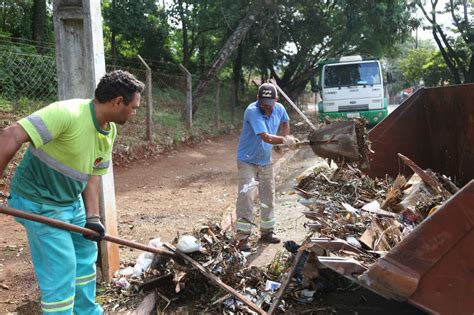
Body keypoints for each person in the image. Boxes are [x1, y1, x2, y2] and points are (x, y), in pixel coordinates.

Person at [0, 70, 145, 314]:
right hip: (38, 200)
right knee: (61, 266)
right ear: (118, 101)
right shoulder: (67, 113)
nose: (134, 113)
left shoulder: (108, 130)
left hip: (70, 202)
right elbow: (10, 134)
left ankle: (87, 311)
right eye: (134, 107)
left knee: (85, 253)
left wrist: (92, 218)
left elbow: (93, 175)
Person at [235, 82, 299, 251]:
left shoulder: (279, 108)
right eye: (264, 105)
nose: (267, 109)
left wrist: (285, 137)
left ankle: (267, 232)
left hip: (265, 161)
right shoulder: (252, 111)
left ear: (276, 100)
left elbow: (285, 121)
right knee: (246, 197)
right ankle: (243, 238)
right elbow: (265, 137)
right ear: (258, 99)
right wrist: (284, 141)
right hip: (247, 161)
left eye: (270, 105)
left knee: (268, 197)